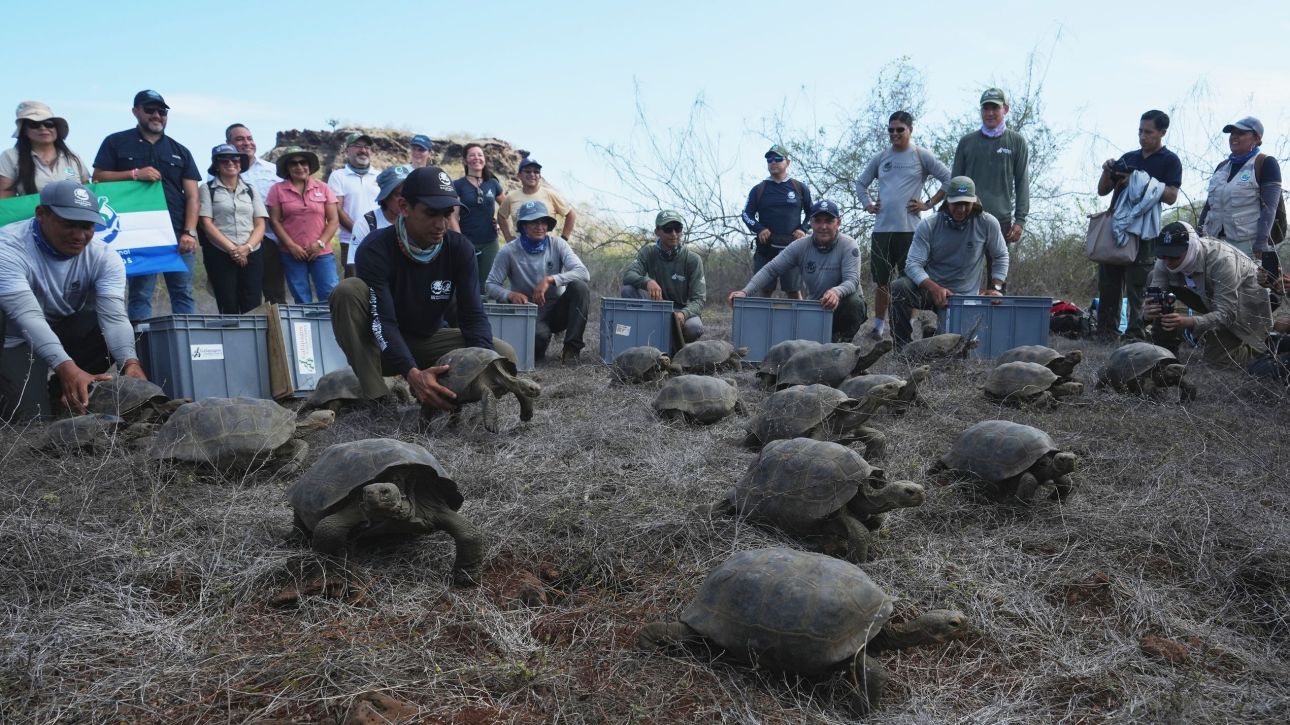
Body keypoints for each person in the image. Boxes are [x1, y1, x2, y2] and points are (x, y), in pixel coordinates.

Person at [329, 166, 516, 409]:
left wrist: (483, 362)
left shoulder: (460, 248)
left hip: (428, 340)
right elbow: (383, 322)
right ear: (404, 207)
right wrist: (411, 373)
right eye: (431, 213)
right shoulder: (375, 249)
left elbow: (473, 315)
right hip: (380, 346)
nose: (441, 225)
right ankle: (378, 397)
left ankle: (442, 396)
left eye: (447, 214)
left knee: (503, 356)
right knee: (348, 290)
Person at [0, 180, 146, 419]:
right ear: (41, 214)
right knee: (29, 419)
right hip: (14, 338)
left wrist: (130, 362)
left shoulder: (104, 256)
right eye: (68, 225)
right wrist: (65, 365)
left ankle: (64, 391)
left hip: (59, 329)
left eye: (87, 226)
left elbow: (115, 318)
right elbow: (27, 317)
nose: (79, 236)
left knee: (103, 325)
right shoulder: (7, 247)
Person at [92, 90, 200, 321]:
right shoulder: (115, 142)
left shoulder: (181, 150)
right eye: (150, 110)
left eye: (162, 111)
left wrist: (189, 232)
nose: (157, 115)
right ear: (136, 111)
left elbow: (193, 196)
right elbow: (98, 178)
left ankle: (187, 340)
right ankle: (141, 342)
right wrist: (134, 174)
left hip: (177, 232)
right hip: (137, 233)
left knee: (183, 292)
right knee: (140, 294)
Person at [855, 112, 952, 340]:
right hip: (882, 231)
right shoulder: (881, 157)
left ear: (910, 130)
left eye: (900, 129)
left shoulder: (920, 155)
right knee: (882, 282)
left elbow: (948, 179)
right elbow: (861, 183)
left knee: (909, 281)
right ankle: (878, 327)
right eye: (891, 130)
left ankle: (906, 324)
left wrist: (928, 204)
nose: (895, 134)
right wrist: (868, 205)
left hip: (911, 231)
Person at [889, 177, 1009, 348]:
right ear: (947, 201)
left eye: (966, 204)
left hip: (965, 298)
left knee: (958, 349)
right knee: (899, 287)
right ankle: (902, 350)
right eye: (956, 204)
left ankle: (932, 332)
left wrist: (996, 287)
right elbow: (913, 264)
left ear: (974, 201)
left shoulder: (987, 223)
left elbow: (1001, 256)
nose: (961, 209)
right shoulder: (929, 225)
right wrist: (934, 288)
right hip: (931, 291)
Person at [1094, 109, 1182, 339]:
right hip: (1117, 227)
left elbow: (1171, 196)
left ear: (1162, 132)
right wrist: (1107, 170)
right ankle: (1106, 331)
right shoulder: (1129, 157)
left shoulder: (1170, 160)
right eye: (1140, 131)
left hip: (1144, 230)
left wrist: (1138, 181)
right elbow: (1103, 190)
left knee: (1139, 284)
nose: (1143, 137)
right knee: (1109, 282)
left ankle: (1136, 332)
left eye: (1149, 132)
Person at [728, 200, 866, 343]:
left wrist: (836, 292)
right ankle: (826, 338)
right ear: (811, 222)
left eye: (829, 221)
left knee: (853, 302)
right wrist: (745, 292)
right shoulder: (800, 246)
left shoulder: (848, 244)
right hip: (817, 308)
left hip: (843, 306)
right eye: (818, 221)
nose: (823, 226)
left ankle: (844, 342)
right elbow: (771, 269)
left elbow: (852, 280)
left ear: (838, 223)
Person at [1144, 221, 1271, 368]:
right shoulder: (1165, 261)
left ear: (1191, 247)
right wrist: (1146, 313)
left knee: (1217, 361)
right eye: (1164, 255)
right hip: (1209, 298)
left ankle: (1262, 347)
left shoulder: (1223, 261)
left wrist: (1190, 322)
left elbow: (1227, 314)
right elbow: (1151, 299)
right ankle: (1165, 347)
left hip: (1245, 306)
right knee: (1155, 287)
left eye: (1174, 256)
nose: (1168, 262)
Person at [486, 200, 590, 362]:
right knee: (536, 348)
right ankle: (542, 337)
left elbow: (583, 273)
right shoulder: (508, 251)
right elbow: (490, 285)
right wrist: (510, 295)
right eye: (533, 222)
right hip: (529, 311)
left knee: (580, 287)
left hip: (557, 309)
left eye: (543, 222)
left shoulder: (558, 244)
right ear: (523, 226)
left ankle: (571, 349)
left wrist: (551, 279)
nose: (540, 226)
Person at [951, 88, 1029, 258]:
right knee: (964, 270)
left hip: (1001, 221)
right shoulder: (966, 142)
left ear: (1005, 109)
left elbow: (1022, 183)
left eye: (995, 108)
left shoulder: (1017, 142)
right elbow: (954, 183)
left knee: (999, 271)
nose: (990, 113)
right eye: (986, 108)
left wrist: (1020, 221)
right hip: (967, 218)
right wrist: (950, 215)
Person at [1198, 116, 1283, 263]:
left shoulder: (1265, 163)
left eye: (1241, 133)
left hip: (1247, 246)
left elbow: (1270, 208)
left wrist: (1261, 242)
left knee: (1246, 279)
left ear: (1256, 138)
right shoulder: (1222, 167)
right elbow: (1208, 206)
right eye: (1232, 133)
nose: (1234, 137)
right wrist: (1198, 233)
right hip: (1212, 242)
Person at [266, 147, 340, 304]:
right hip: (291, 254)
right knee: (301, 298)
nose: (299, 167)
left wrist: (320, 243)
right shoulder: (277, 190)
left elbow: (333, 220)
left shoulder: (323, 188)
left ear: (309, 165)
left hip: (322, 252)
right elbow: (274, 221)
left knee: (330, 293)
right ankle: (307, 322)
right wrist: (291, 246)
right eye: (293, 163)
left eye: (302, 162)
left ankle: (331, 322)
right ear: (287, 167)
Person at [198, 144, 266, 314]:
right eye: (224, 160)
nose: (230, 163)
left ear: (240, 164)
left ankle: (253, 333)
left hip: (252, 252)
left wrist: (246, 248)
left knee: (253, 304)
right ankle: (231, 333)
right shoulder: (206, 189)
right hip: (220, 252)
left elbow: (260, 224)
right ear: (216, 165)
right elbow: (206, 223)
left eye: (235, 159)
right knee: (227, 303)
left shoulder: (250, 190)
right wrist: (233, 250)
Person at [621, 210, 706, 343]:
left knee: (694, 327)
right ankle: (643, 338)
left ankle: (675, 347)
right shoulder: (648, 252)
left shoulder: (693, 259)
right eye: (668, 229)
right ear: (657, 232)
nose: (674, 234)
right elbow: (628, 275)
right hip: (654, 306)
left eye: (678, 229)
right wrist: (646, 281)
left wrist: (684, 314)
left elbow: (699, 300)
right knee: (628, 290)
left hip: (680, 310)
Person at [225, 123, 287, 303]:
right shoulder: (219, 173)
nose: (247, 143)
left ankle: (278, 323)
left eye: (249, 138)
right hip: (235, 242)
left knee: (275, 295)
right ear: (228, 143)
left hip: (270, 240)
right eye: (239, 139)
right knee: (244, 295)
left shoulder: (273, 170)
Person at [741, 144, 812, 299]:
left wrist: (803, 229)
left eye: (778, 158)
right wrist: (759, 228)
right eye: (769, 159)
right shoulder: (758, 189)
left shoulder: (799, 187)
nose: (773, 162)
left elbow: (812, 213)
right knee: (764, 289)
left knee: (793, 291)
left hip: (792, 247)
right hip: (766, 248)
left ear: (788, 162)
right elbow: (746, 214)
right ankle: (762, 316)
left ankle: (798, 316)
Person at [0, 101, 90, 198]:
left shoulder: (73, 157)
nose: (43, 128)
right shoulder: (10, 156)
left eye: (49, 124)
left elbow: (87, 191)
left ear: (56, 129)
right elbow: (5, 196)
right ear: (24, 130)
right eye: (34, 124)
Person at [452, 143, 507, 293]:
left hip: (490, 242)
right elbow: (452, 217)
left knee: (489, 285)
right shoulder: (458, 185)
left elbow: (506, 208)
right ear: (465, 161)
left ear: (484, 159)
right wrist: (461, 242)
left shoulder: (493, 184)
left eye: (480, 155)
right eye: (472, 155)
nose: (477, 158)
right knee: (466, 284)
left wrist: (499, 222)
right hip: (467, 241)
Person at [328, 132, 380, 276]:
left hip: (380, 240)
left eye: (366, 147)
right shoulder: (338, 176)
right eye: (357, 146)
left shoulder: (380, 176)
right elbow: (337, 208)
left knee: (380, 281)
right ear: (347, 150)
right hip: (351, 241)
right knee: (355, 283)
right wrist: (360, 231)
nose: (363, 150)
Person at [497, 158, 576, 242]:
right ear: (519, 175)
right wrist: (508, 237)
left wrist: (563, 239)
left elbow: (571, 214)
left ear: (540, 176)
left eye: (536, 172)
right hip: (520, 247)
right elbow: (501, 216)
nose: (532, 174)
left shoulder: (550, 194)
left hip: (548, 247)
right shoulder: (511, 197)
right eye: (528, 171)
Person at [351, 165, 412, 255]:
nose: (404, 200)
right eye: (398, 194)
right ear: (385, 197)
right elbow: (353, 261)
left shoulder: (416, 221)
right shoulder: (366, 224)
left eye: (407, 193)